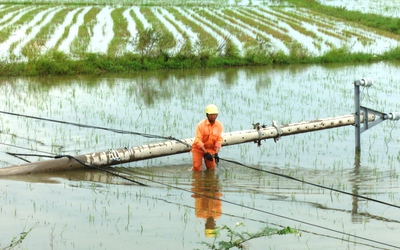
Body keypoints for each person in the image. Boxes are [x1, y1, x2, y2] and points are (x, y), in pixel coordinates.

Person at [191, 104, 223, 171]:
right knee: (197, 168)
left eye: (215, 114)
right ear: (207, 115)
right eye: (211, 115)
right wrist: (205, 153)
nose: (213, 116)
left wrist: (216, 153)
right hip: (198, 148)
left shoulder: (219, 126)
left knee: (211, 169)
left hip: (210, 148)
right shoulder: (200, 125)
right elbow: (197, 140)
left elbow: (219, 140)